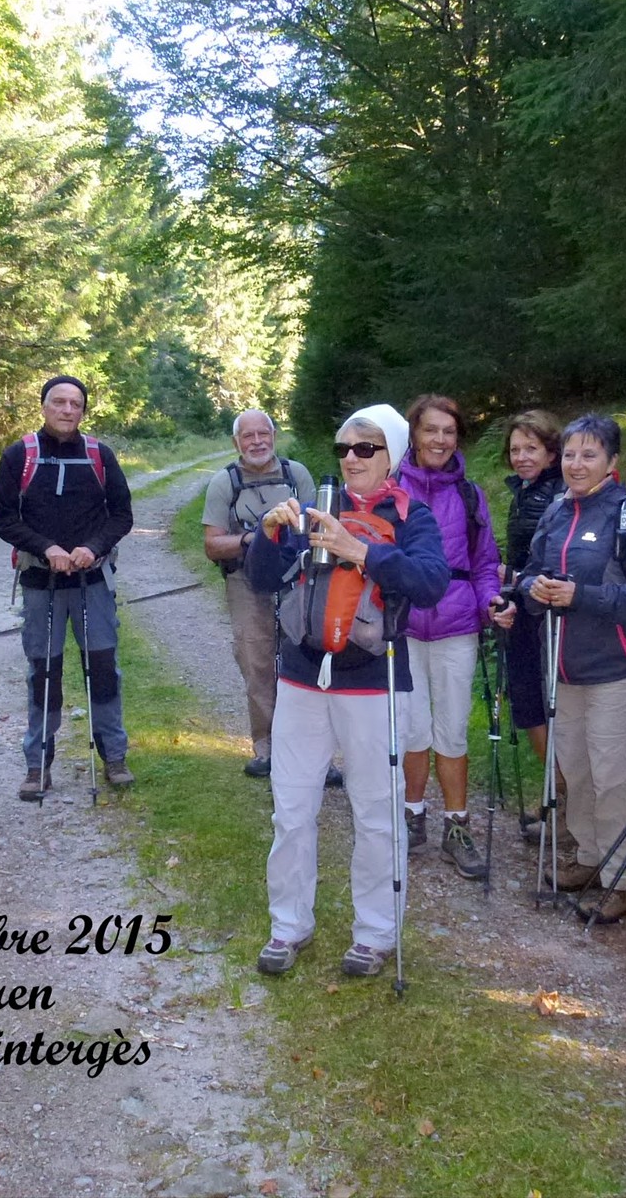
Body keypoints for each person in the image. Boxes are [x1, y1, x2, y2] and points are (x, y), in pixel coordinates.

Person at [246, 404, 448, 978]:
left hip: (375, 680)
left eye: (366, 447)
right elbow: (263, 579)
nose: (352, 457)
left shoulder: (414, 515)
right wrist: (268, 536)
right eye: (344, 448)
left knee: (378, 815)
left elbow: (431, 583)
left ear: (393, 455)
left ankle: (377, 933)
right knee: (291, 808)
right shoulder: (314, 510)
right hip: (302, 678)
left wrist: (358, 549)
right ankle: (288, 926)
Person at [503, 414, 626, 923]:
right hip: (563, 666)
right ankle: (591, 857)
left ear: (612, 462)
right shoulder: (556, 512)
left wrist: (584, 596)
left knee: (615, 777)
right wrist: (528, 593)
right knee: (575, 769)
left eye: (590, 455)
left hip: (618, 668)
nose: (577, 465)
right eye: (572, 455)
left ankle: (625, 879)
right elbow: (532, 571)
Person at [0, 375, 135, 801]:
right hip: (41, 582)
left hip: (92, 581)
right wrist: (46, 547)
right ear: (44, 406)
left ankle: (115, 757)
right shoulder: (20, 455)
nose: (67, 410)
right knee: (44, 674)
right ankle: (37, 765)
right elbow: (4, 519)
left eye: (75, 403)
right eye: (59, 402)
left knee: (103, 669)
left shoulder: (99, 455)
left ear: (83, 410)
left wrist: (93, 548)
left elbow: (122, 514)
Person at [394, 394, 501, 878]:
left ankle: (456, 826)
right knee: (412, 728)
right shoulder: (392, 488)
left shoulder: (469, 495)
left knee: (452, 730)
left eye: (449, 432)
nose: (439, 439)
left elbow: (484, 564)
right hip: (405, 624)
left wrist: (490, 603)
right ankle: (412, 816)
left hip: (458, 625)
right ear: (414, 433)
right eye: (430, 429)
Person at [201, 410, 316, 778]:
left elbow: (320, 525)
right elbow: (212, 544)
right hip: (245, 584)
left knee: (306, 661)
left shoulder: (296, 474)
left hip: (298, 580)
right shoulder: (225, 482)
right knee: (258, 663)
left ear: (274, 435)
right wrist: (253, 540)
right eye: (247, 436)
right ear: (236, 443)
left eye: (262, 434)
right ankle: (267, 749)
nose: (256, 442)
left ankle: (315, 754)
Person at [493, 409, 565, 840]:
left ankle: (560, 802)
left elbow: (554, 562)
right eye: (516, 449)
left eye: (531, 448)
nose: (521, 457)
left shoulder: (559, 495)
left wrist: (512, 578)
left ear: (551, 451)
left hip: (545, 612)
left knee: (544, 703)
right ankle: (556, 797)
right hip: (522, 606)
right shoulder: (526, 491)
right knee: (530, 705)